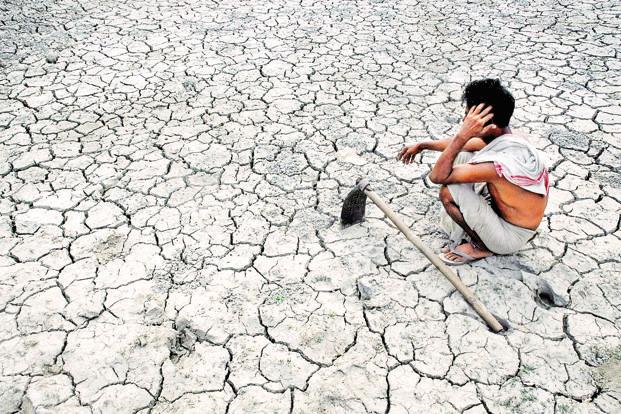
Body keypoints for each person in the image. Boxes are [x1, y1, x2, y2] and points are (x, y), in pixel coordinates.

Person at [397, 79, 549, 265]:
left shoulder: (496, 166)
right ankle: (479, 229)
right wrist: (422, 146)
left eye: (469, 117)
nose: (464, 121)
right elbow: (467, 146)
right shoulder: (507, 136)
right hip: (509, 218)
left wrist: (463, 134)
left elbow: (437, 176)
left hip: (509, 237)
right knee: (463, 155)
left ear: (489, 124)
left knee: (448, 192)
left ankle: (481, 246)